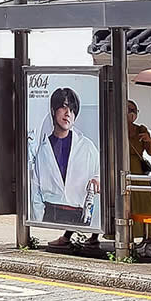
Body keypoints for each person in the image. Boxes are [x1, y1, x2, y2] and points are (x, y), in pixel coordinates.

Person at [29, 86, 102, 249]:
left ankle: (69, 237)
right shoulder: (41, 147)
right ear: (54, 110)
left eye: (72, 109)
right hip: (51, 211)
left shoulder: (87, 146)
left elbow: (99, 171)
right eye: (63, 107)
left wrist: (97, 179)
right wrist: (38, 215)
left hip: (77, 212)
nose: (68, 113)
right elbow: (35, 184)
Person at [127, 100, 151, 258]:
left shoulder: (140, 129)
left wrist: (149, 140)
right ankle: (129, 242)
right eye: (129, 110)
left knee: (148, 208)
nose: (132, 113)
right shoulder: (116, 127)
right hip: (124, 170)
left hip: (139, 173)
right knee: (128, 208)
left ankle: (149, 241)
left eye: (134, 110)